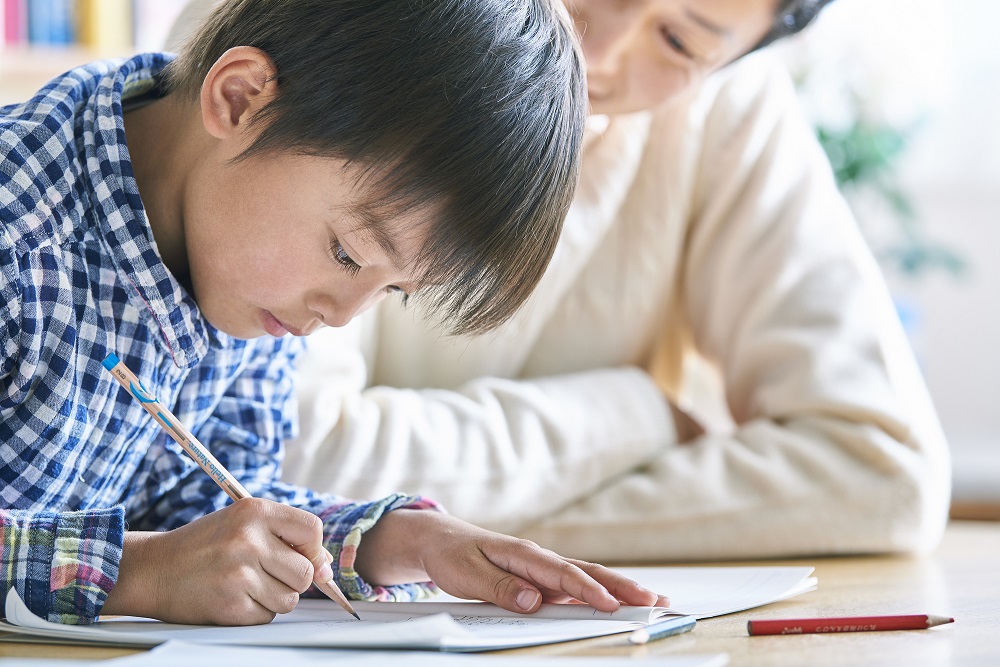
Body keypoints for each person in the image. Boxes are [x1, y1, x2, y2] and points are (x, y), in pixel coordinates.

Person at [0, 0, 672, 627]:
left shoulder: (242, 260)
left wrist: (395, 540)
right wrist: (133, 574)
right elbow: (160, 557)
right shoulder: (17, 232)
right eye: (348, 255)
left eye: (393, 289)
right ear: (239, 101)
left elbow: (206, 502)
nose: (343, 315)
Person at [280, 0, 953, 561]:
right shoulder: (348, 28)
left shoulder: (726, 113)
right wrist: (637, 414)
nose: (592, 50)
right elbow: (283, 457)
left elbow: (882, 470)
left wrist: (436, 542)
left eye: (677, 40)